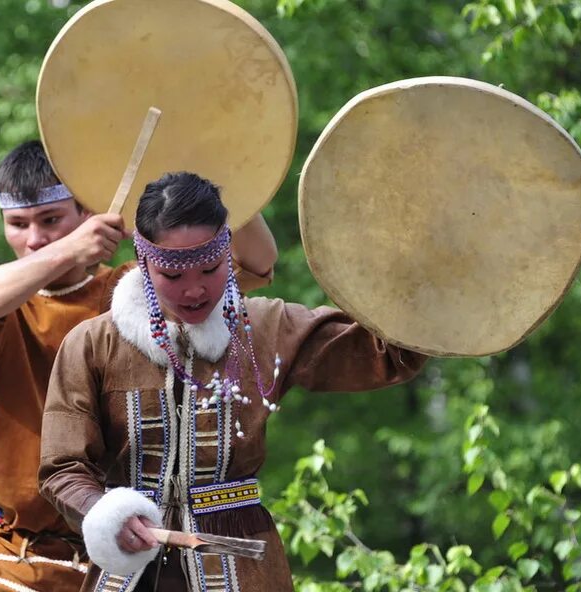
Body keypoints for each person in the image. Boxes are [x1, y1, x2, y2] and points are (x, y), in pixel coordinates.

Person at [39, 171, 429, 592]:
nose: (194, 290)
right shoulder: (92, 344)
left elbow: (389, 355)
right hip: (130, 569)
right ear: (144, 259)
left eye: (209, 269)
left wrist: (424, 268)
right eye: (173, 276)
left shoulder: (264, 327)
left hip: (244, 566)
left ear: (228, 251)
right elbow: (62, 467)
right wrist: (104, 513)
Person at [0, 144, 277, 592]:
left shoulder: (138, 291)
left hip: (131, 557)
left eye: (51, 220)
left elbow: (255, 263)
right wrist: (69, 250)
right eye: (17, 224)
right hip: (17, 554)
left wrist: (216, 169)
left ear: (87, 212)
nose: (35, 239)